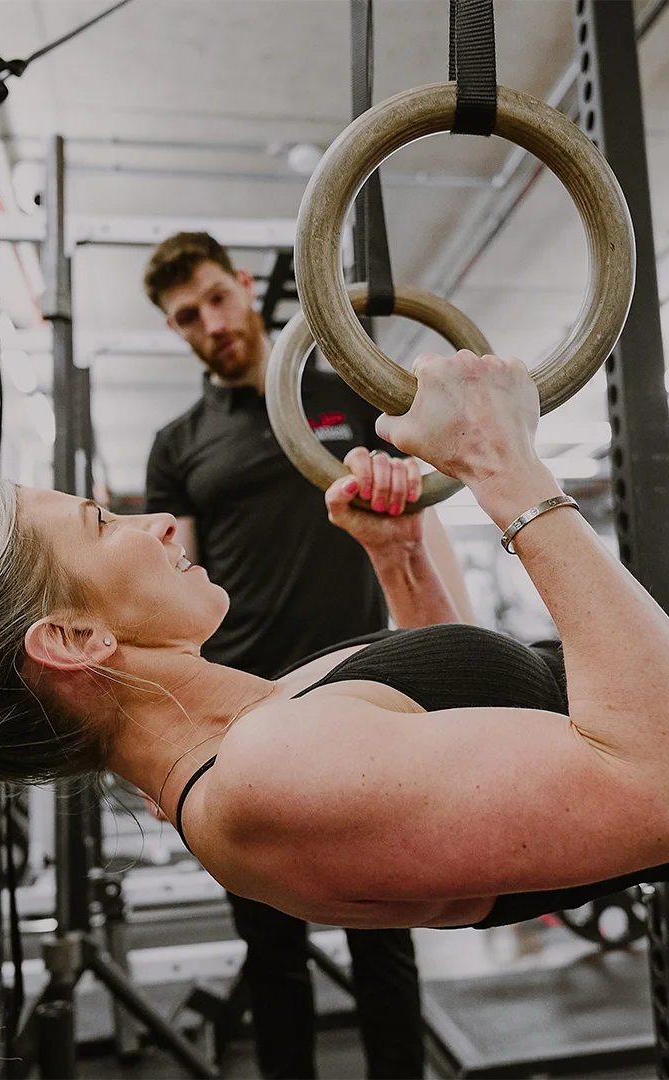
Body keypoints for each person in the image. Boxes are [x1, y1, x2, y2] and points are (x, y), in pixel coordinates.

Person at [0, 349, 669, 1080]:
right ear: (72, 641)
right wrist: (507, 468)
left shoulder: (254, 730)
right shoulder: (262, 787)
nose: (155, 523)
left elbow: (497, 721)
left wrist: (402, 557)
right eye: (103, 524)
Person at [140, 230, 471, 1079]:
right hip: (245, 705)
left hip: (364, 683)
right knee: (272, 944)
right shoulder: (178, 446)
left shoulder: (345, 399)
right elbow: (174, 590)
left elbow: (417, 519)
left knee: (383, 928)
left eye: (217, 297)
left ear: (245, 285)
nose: (210, 322)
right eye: (187, 317)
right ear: (175, 331)